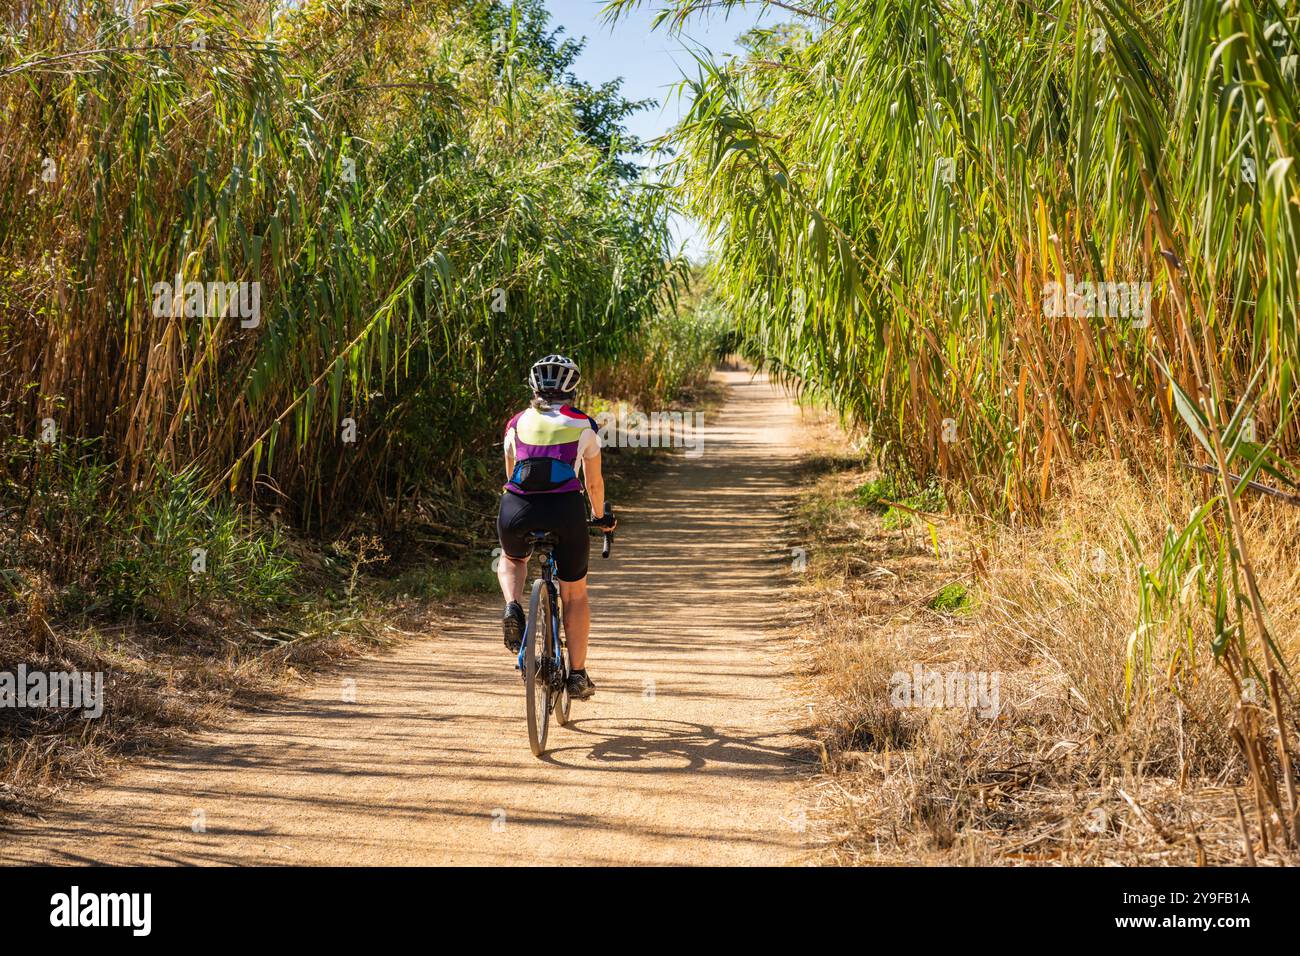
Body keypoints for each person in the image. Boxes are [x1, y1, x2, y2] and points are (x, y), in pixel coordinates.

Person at [496, 354, 616, 700]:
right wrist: (601, 517)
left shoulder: (515, 423)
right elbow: (594, 485)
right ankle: (577, 675)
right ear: (572, 390)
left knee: (513, 557)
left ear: (533, 387)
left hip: (517, 508)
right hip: (565, 511)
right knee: (575, 594)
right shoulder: (583, 425)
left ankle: (512, 606)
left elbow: (510, 474)